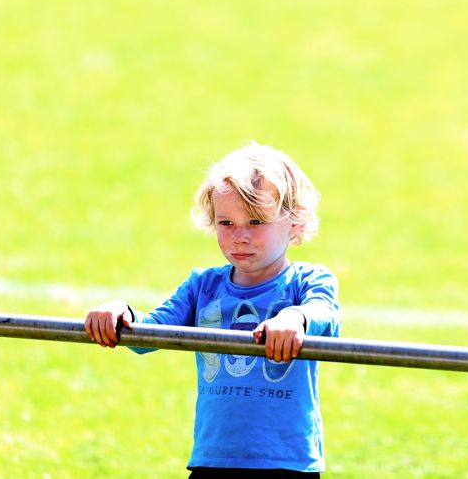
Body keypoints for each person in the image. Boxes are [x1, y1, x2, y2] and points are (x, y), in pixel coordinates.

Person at [84, 142, 341, 478]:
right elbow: (147, 334)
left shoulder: (307, 280)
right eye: (226, 223)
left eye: (255, 221)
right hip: (214, 460)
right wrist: (121, 313)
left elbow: (324, 313)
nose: (240, 237)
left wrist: (294, 318)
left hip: (285, 462)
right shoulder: (203, 286)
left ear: (294, 221)